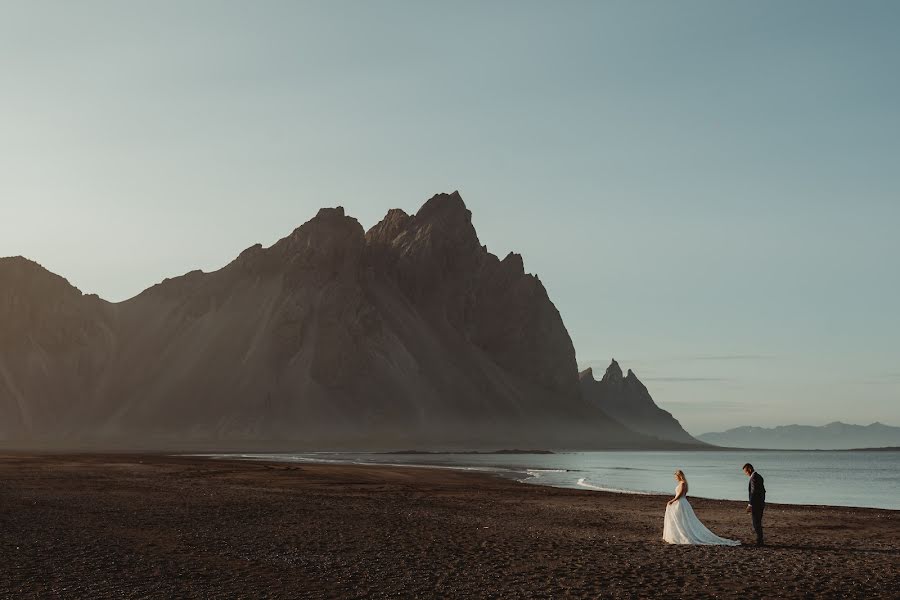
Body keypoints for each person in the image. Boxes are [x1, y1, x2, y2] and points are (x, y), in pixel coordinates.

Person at [662, 470, 740, 545]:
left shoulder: (682, 483)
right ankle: (680, 533)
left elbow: (680, 494)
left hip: (681, 502)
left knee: (682, 519)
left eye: (676, 476)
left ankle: (683, 534)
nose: (675, 478)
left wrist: (672, 500)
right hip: (682, 502)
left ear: (679, 476)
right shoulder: (683, 483)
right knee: (681, 519)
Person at [743, 463, 766, 546]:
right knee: (758, 522)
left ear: (749, 469)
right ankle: (760, 540)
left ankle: (759, 541)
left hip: (756, 504)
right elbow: (763, 491)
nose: (746, 474)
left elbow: (753, 492)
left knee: (756, 523)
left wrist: (750, 505)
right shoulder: (759, 476)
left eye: (745, 471)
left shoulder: (754, 478)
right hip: (761, 503)